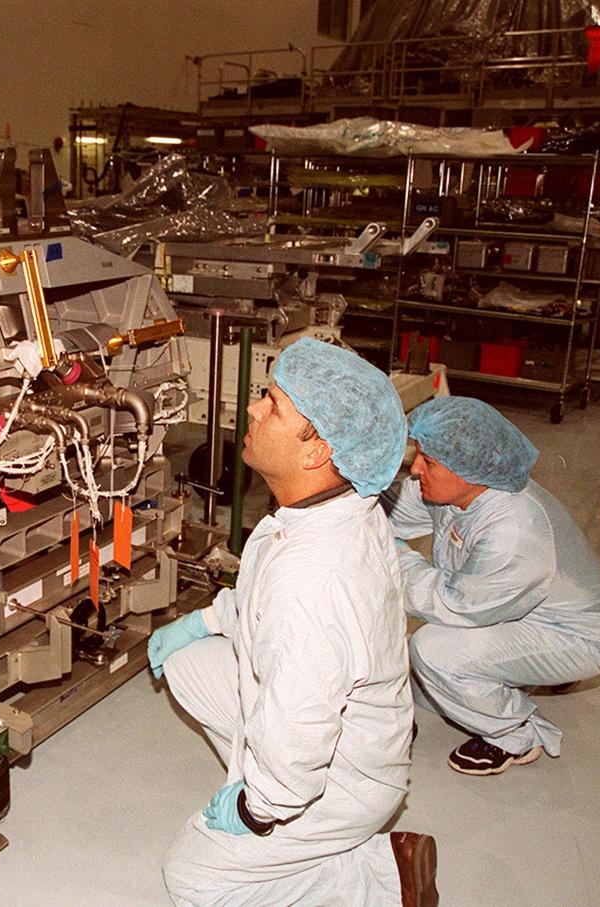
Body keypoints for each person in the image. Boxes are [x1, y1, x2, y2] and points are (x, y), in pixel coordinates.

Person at [150, 338, 437, 907]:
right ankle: (277, 799)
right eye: (265, 393)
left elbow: (301, 722)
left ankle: (381, 873)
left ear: (316, 452)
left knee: (192, 879)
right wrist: (205, 620)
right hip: (338, 725)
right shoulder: (324, 508)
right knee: (187, 663)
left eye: (274, 406)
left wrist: (257, 808)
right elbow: (260, 599)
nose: (254, 409)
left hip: (342, 778)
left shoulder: (316, 581)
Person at [381, 396, 600, 776]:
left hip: (577, 635)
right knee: (431, 689)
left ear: (468, 471)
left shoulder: (514, 528)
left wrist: (393, 556)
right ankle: (517, 673)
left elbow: (455, 604)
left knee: (433, 652)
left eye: (428, 461)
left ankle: (517, 735)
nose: (415, 469)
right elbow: (389, 512)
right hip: (515, 609)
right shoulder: (454, 489)